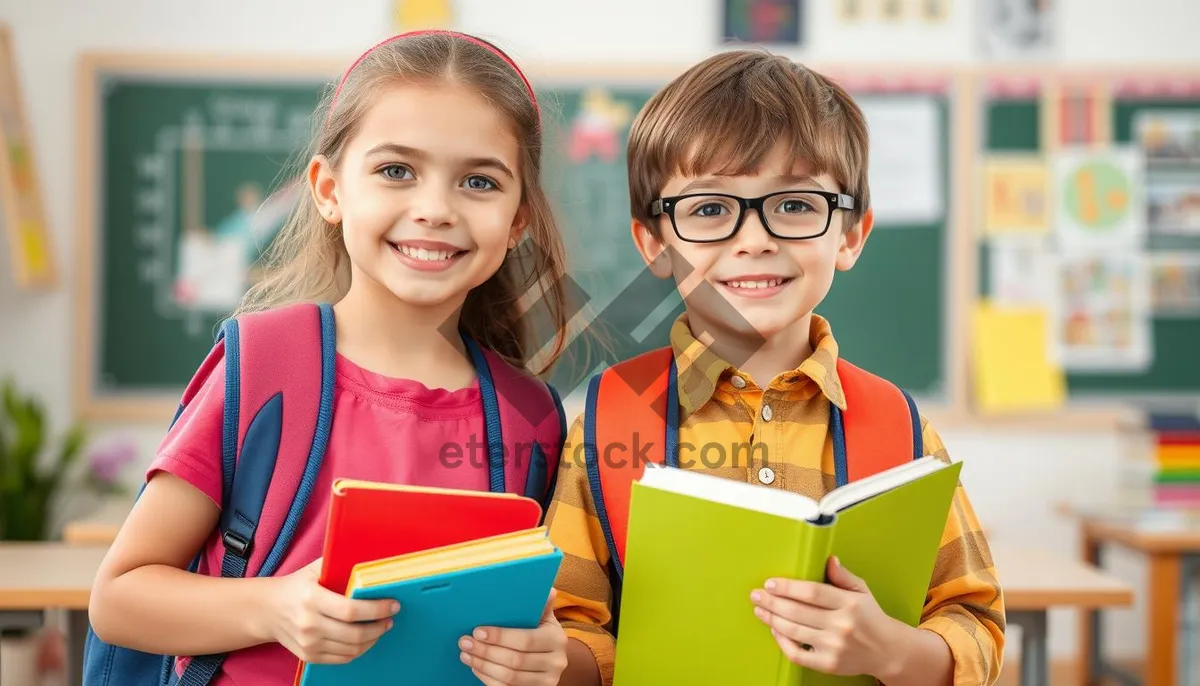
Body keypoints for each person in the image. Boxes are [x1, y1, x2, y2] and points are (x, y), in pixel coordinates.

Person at [88, 30, 574, 686]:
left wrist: (540, 655)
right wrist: (272, 607)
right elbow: (118, 599)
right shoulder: (264, 365)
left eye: (479, 181)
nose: (434, 209)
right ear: (328, 189)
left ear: (517, 220)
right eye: (396, 170)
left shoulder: (529, 416)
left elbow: (527, 621)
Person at [545, 50, 1006, 686]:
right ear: (654, 243)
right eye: (708, 209)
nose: (754, 239)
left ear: (849, 235)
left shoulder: (900, 428)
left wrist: (892, 653)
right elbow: (574, 627)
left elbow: (973, 618)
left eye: (793, 205)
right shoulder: (604, 423)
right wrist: (542, 658)